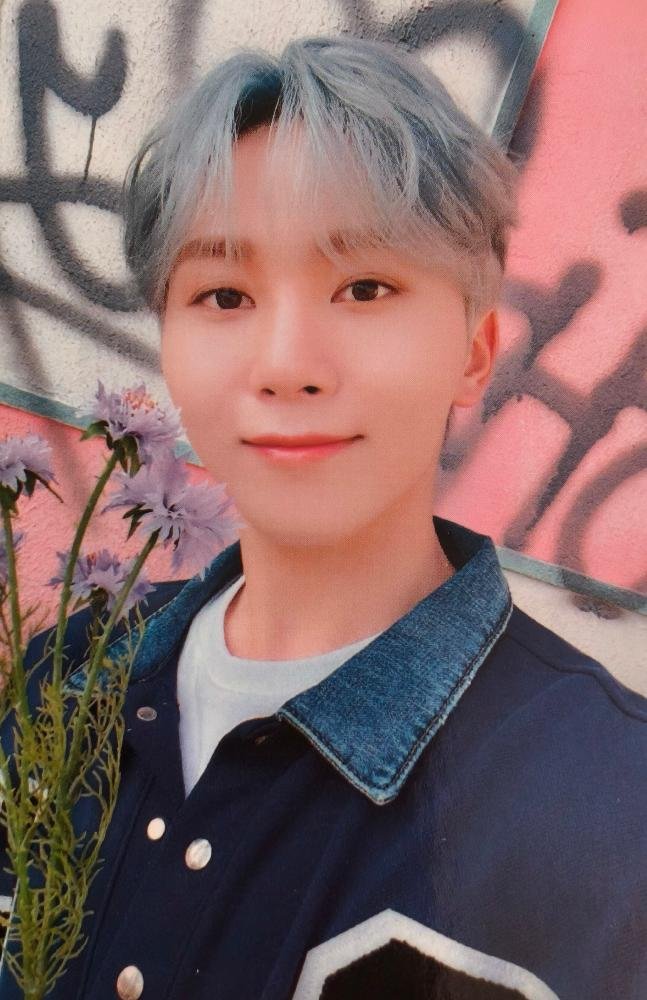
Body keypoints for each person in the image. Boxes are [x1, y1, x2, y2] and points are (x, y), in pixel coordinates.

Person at [2, 33, 647, 1000]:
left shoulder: (611, 806)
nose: (286, 364)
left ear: (474, 353)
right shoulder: (64, 683)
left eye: (364, 288)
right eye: (224, 294)